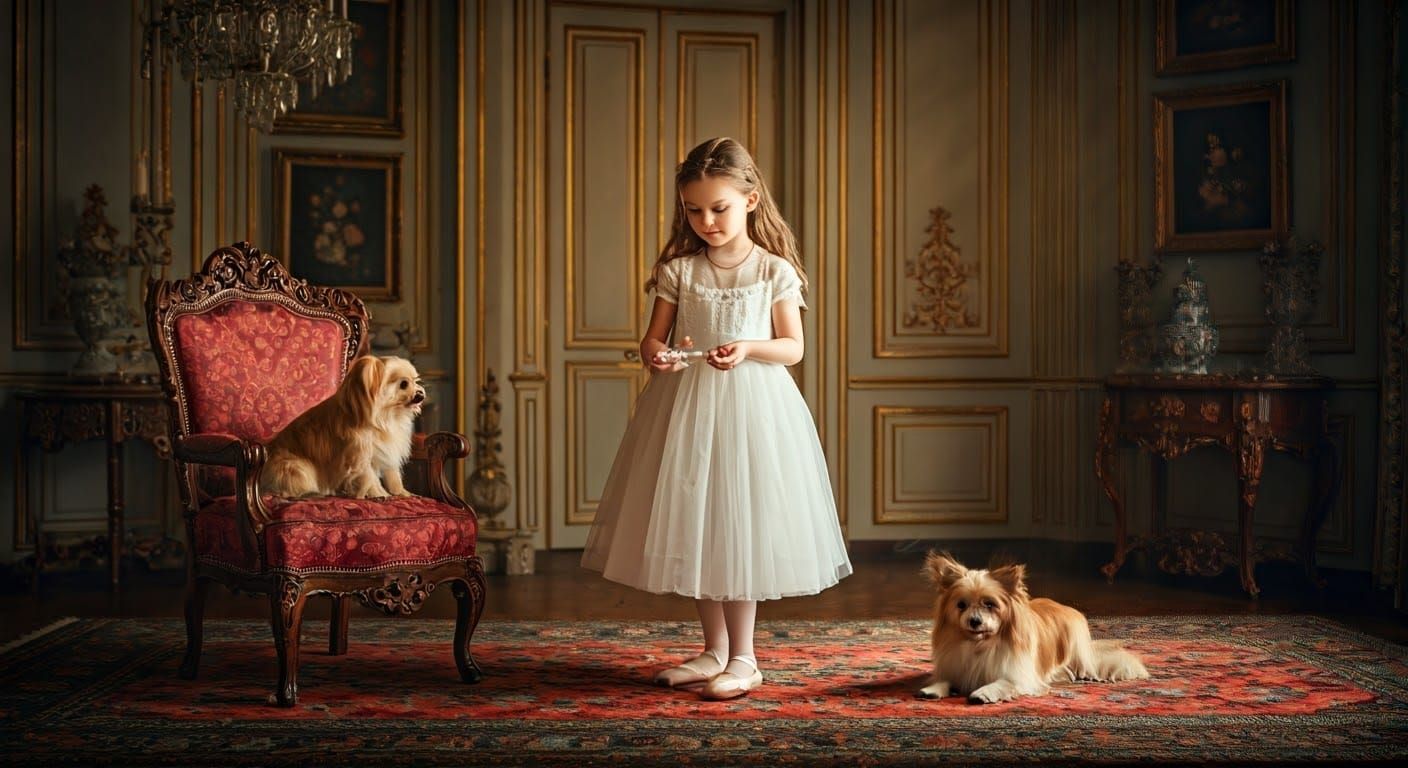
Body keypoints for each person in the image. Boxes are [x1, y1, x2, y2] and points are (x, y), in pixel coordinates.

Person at [581, 137, 852, 700]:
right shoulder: (680, 271)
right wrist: (655, 355)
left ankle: (746, 657)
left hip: (753, 410)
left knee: (739, 524)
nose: (706, 221)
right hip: (688, 408)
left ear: (751, 200)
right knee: (696, 522)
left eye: (719, 208)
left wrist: (749, 347)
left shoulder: (774, 271)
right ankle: (713, 651)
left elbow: (793, 348)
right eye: (694, 209)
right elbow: (653, 340)